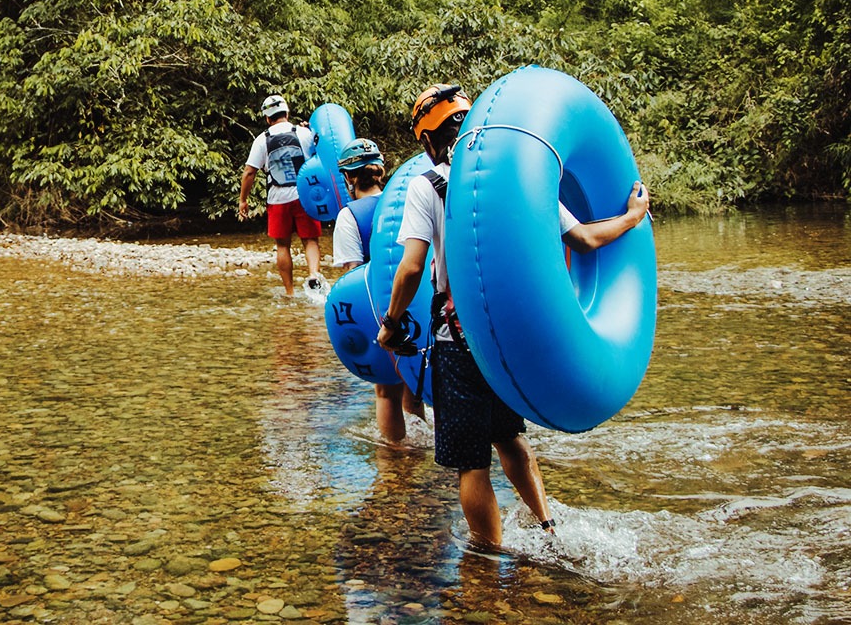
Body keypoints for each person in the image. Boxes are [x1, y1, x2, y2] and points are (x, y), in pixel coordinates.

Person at [377, 82, 651, 550]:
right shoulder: (514, 179)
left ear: (425, 141)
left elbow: (412, 267)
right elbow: (582, 239)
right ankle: (547, 527)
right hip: (505, 342)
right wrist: (631, 217)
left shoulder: (426, 187)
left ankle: (488, 556)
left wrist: (390, 321)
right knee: (510, 438)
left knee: (471, 463)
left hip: (457, 342)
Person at [332, 138, 427, 445]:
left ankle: (394, 465)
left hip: (378, 312)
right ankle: (422, 448)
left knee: (386, 391)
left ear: (348, 178)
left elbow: (352, 280)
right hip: (417, 307)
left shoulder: (350, 216)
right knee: (415, 388)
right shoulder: (403, 203)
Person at [239, 94, 324, 296]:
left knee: (282, 245)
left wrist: (243, 200)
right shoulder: (305, 133)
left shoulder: (261, 140)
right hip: (305, 195)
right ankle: (313, 274)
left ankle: (290, 292)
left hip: (277, 199)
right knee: (310, 240)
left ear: (267, 118)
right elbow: (322, 156)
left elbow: (249, 172)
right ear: (287, 113)